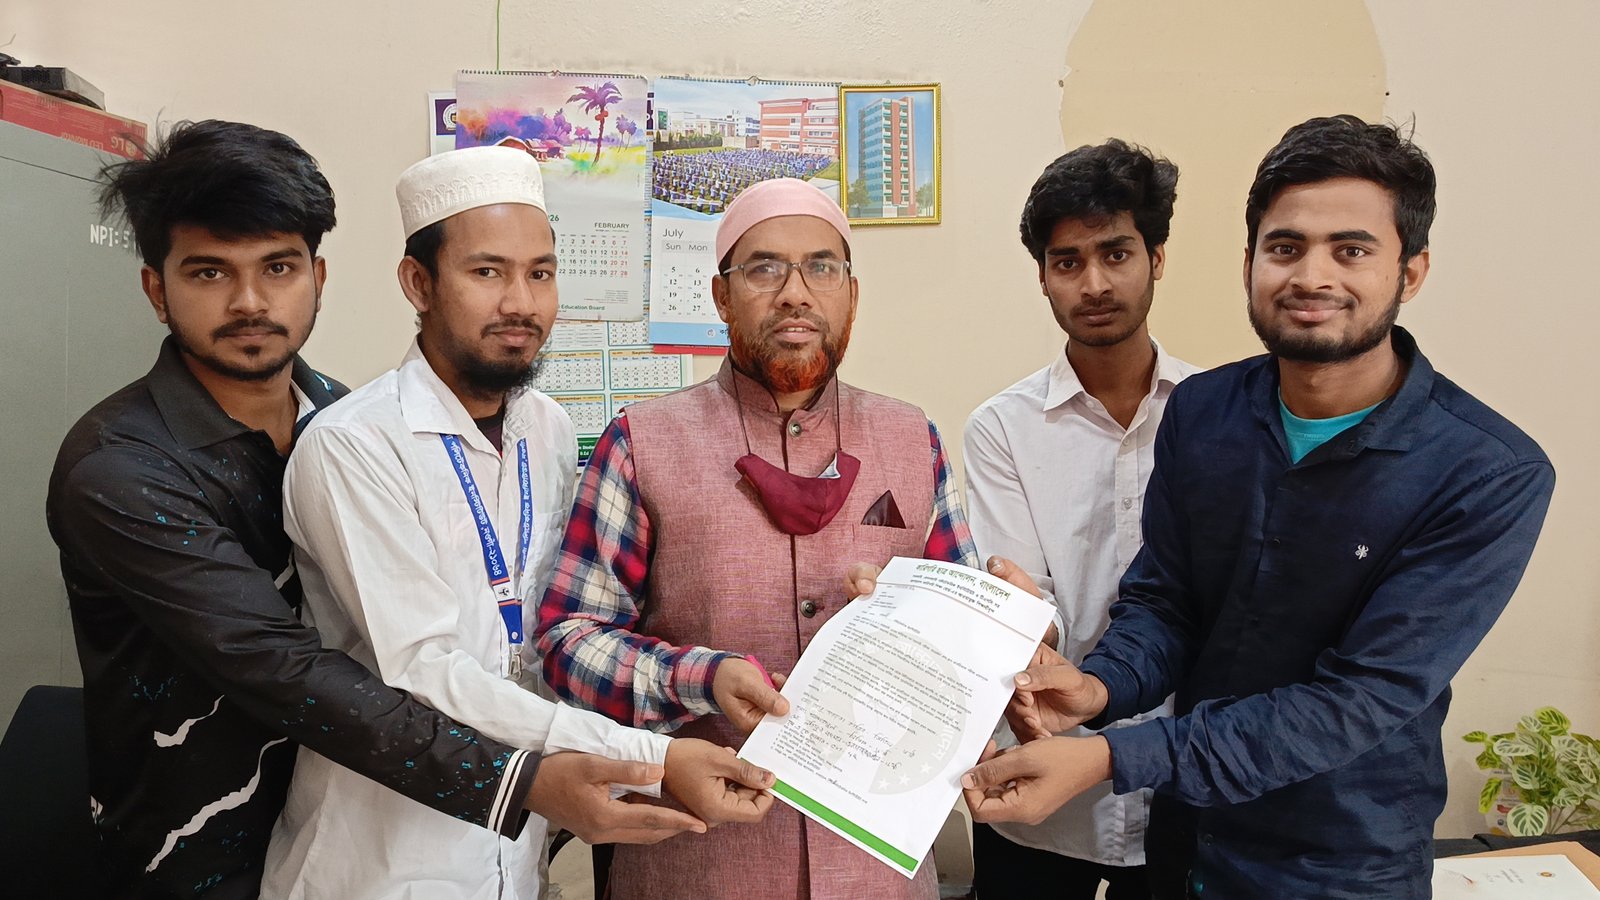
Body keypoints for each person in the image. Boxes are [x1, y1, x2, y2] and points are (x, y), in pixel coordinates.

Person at [46, 122, 730, 899]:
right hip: (203, 847)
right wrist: (563, 774)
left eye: (278, 267)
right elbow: (292, 670)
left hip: (425, 820)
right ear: (156, 289)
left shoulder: (360, 411)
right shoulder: (127, 468)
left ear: (318, 275)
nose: (250, 302)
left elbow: (535, 620)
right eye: (209, 272)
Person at [959, 115, 1557, 899]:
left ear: (1410, 272)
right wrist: (1099, 688)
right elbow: (1166, 603)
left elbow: (1358, 699)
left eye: (1351, 250)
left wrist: (1112, 754)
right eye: (1285, 248)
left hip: (1337, 864)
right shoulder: (1205, 412)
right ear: (1249, 264)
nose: (1312, 276)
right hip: (1185, 843)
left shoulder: (1485, 472)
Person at [260, 146, 772, 898]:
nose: (521, 303)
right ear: (419, 283)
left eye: (541, 273)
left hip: (519, 850)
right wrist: (651, 759)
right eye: (487, 272)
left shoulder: (549, 428)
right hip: (380, 858)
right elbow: (424, 671)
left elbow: (558, 628)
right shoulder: (354, 445)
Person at [536, 177, 979, 899]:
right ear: (721, 296)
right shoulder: (641, 444)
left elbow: (966, 649)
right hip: (697, 867)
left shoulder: (914, 439)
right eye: (765, 268)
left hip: (877, 873)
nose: (795, 293)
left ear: (851, 296)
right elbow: (568, 640)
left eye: (821, 268)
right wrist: (698, 678)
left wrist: (931, 625)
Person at [963, 139, 1200, 900]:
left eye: (1116, 254)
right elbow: (1028, 598)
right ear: (1043, 276)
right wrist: (1026, 623)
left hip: (1185, 789)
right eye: (1068, 262)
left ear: (1156, 258)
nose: (1094, 283)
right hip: (1040, 790)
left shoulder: (1216, 414)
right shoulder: (1002, 429)